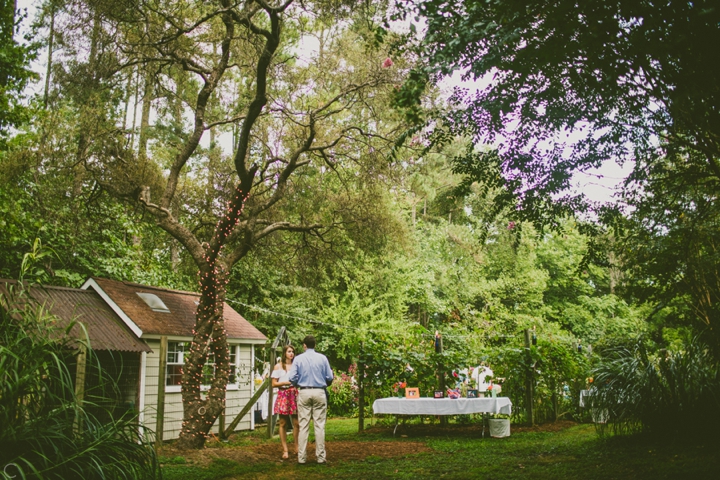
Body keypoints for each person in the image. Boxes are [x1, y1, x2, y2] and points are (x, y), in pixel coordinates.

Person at [288, 335, 334, 465]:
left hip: (304, 391)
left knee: (303, 425)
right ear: (315, 345)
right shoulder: (322, 358)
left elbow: (292, 377)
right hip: (319, 391)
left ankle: (302, 458)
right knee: (319, 425)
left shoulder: (298, 359)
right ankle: (320, 457)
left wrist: (298, 383)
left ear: (304, 345)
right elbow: (330, 377)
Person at [271, 345, 299, 460]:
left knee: (296, 423)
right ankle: (285, 449)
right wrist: (284, 383)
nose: (291, 353)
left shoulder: (296, 366)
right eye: (289, 351)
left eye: (292, 351)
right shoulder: (278, 367)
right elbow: (274, 383)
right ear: (284, 353)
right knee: (283, 423)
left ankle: (297, 447)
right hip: (283, 394)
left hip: (293, 394)